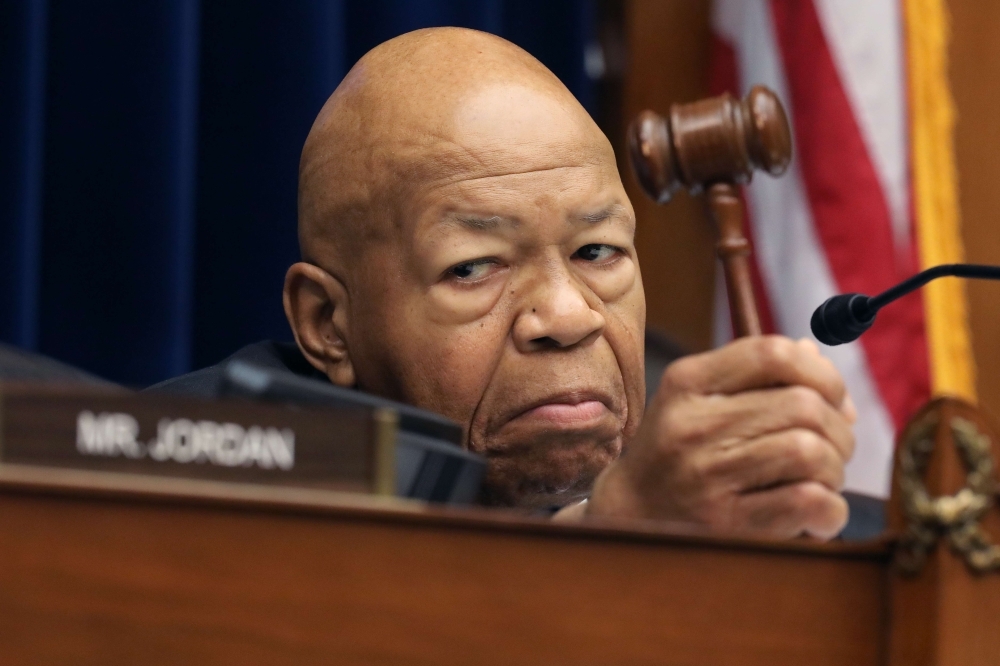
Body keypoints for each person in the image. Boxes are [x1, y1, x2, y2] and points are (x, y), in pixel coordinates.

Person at [152, 28, 857, 540]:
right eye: (474, 267)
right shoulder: (179, 494)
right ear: (328, 325)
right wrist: (618, 539)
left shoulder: (767, 514)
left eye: (598, 251)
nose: (566, 315)